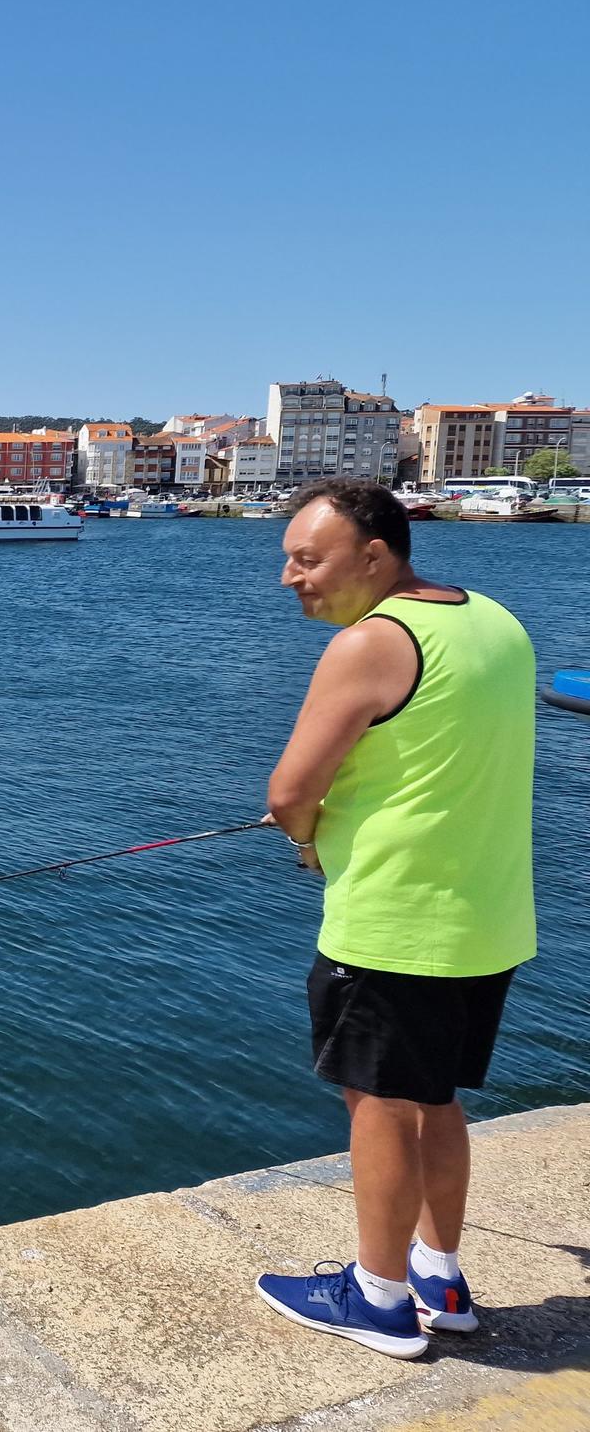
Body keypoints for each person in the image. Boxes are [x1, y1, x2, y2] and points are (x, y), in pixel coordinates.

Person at [255, 476, 535, 1358]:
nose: (291, 577)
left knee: (378, 1105)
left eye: (308, 559)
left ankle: (374, 1299)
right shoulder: (495, 623)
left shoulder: (370, 643)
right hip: (487, 918)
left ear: (373, 556)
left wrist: (306, 838)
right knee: (434, 1099)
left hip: (396, 922)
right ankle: (437, 1277)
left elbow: (291, 792)